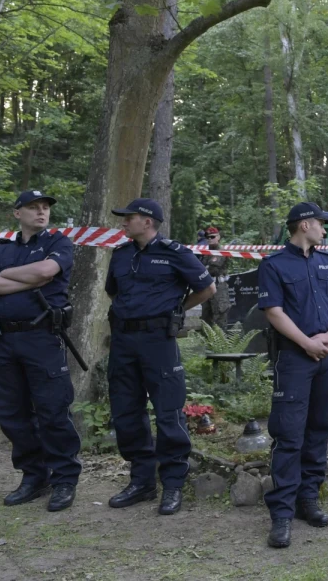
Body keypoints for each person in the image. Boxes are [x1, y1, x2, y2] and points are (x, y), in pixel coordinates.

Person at [105, 197, 215, 516]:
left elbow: (207, 289)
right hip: (124, 339)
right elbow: (114, 291)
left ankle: (173, 484)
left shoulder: (175, 253)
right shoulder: (121, 254)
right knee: (126, 410)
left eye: (130, 218)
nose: (124, 222)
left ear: (148, 222)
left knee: (168, 412)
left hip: (159, 340)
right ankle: (141, 482)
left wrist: (176, 310)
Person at [0, 190, 80, 512]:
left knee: (52, 409)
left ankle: (64, 478)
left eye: (45, 207)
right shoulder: (4, 248)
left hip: (41, 338)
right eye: (33, 208)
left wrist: (5, 276)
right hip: (4, 340)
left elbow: (46, 273)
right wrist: (24, 279)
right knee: (10, 410)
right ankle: (34, 475)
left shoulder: (58, 243)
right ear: (17, 213)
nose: (41, 212)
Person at [257, 203, 328, 549]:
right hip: (295, 358)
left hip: (327, 355)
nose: (325, 230)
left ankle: (308, 499)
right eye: (322, 225)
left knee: (319, 428)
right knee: (289, 433)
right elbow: (274, 312)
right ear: (305, 225)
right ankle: (281, 513)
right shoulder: (274, 265)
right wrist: (306, 342)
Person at [199, 227, 231, 329]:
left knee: (219, 316)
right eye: (208, 237)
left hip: (219, 288)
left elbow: (213, 268)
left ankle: (220, 344)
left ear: (218, 237)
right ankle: (207, 343)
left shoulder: (221, 251)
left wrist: (204, 269)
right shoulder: (206, 253)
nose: (209, 239)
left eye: (212, 237)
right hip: (207, 287)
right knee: (206, 316)